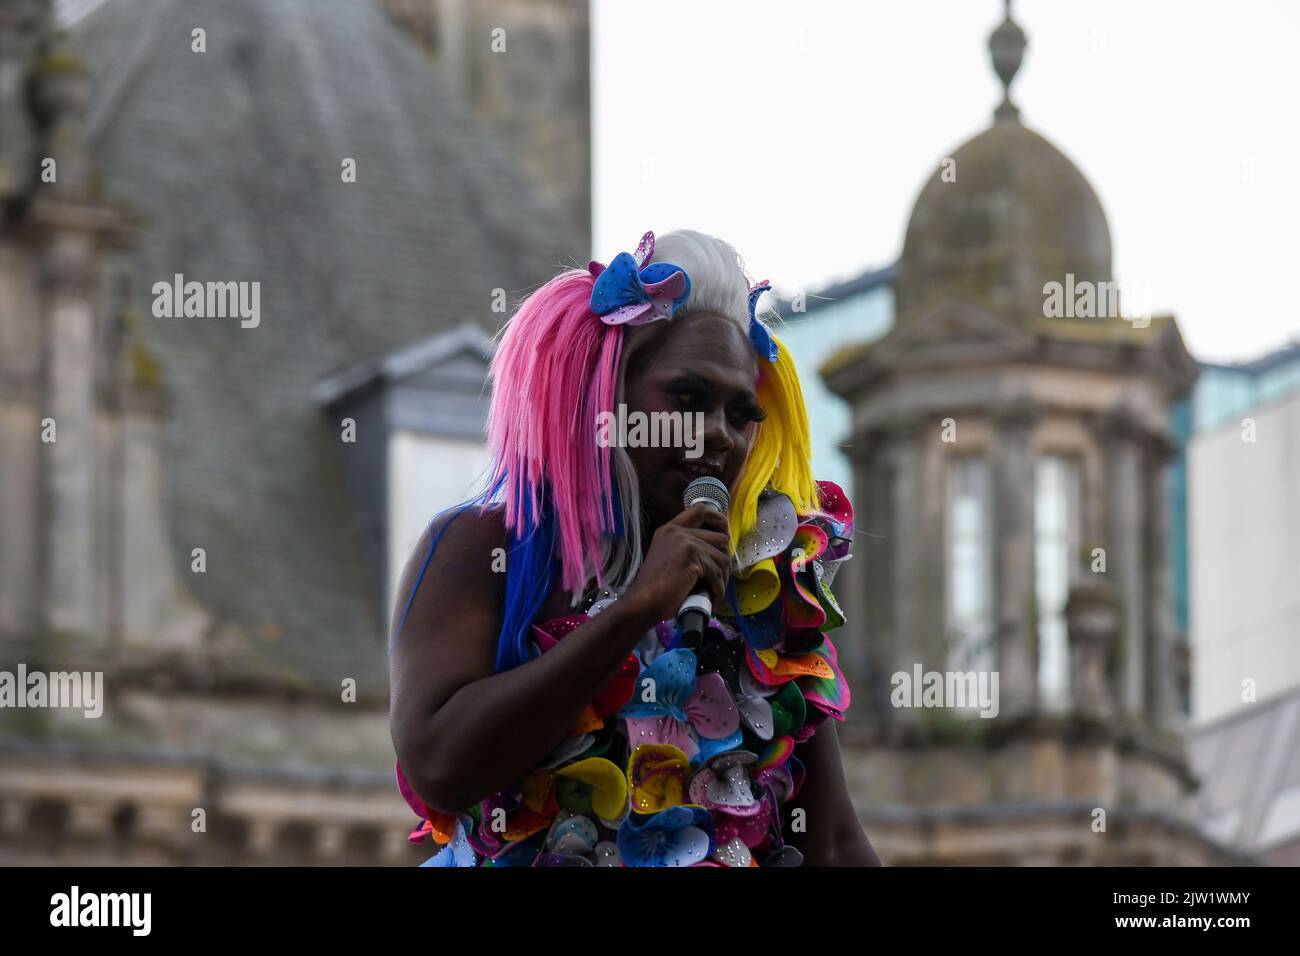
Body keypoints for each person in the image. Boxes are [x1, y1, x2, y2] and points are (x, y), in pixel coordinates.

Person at [388, 229, 882, 866]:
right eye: (687, 398)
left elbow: (835, 842)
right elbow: (439, 764)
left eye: (740, 414)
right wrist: (634, 612)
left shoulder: (764, 599)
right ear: (611, 398)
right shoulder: (482, 547)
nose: (719, 434)